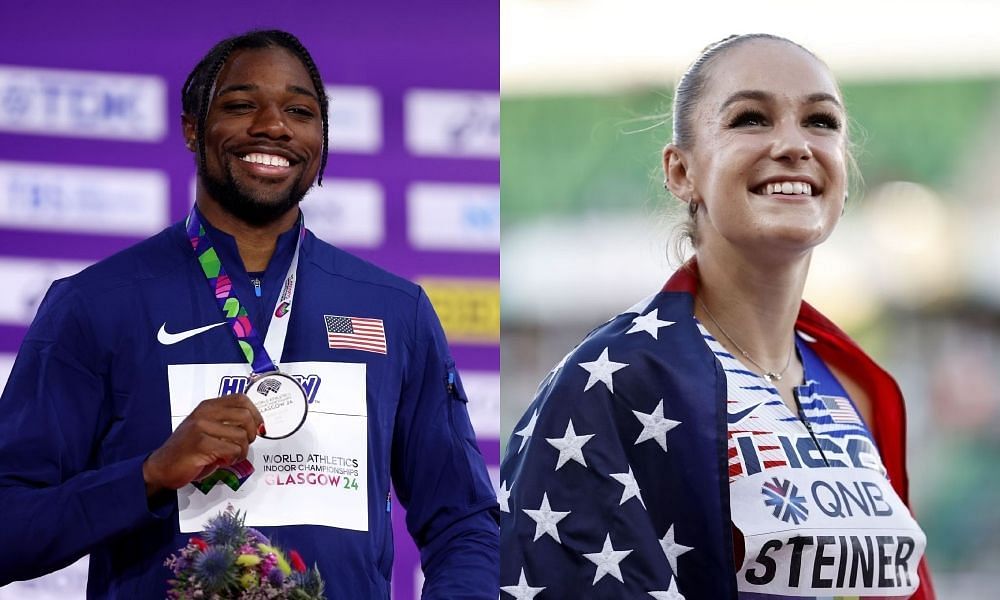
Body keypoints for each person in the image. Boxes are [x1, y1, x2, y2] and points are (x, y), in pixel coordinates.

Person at [0, 30, 499, 599]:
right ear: (192, 128)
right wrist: (149, 475)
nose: (273, 126)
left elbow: (465, 521)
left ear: (321, 143)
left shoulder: (394, 309)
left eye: (299, 111)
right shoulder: (93, 304)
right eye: (240, 106)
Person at [499, 34, 935, 599]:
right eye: (751, 119)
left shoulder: (860, 386)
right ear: (681, 172)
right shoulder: (611, 384)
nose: (794, 144)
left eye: (821, 122)